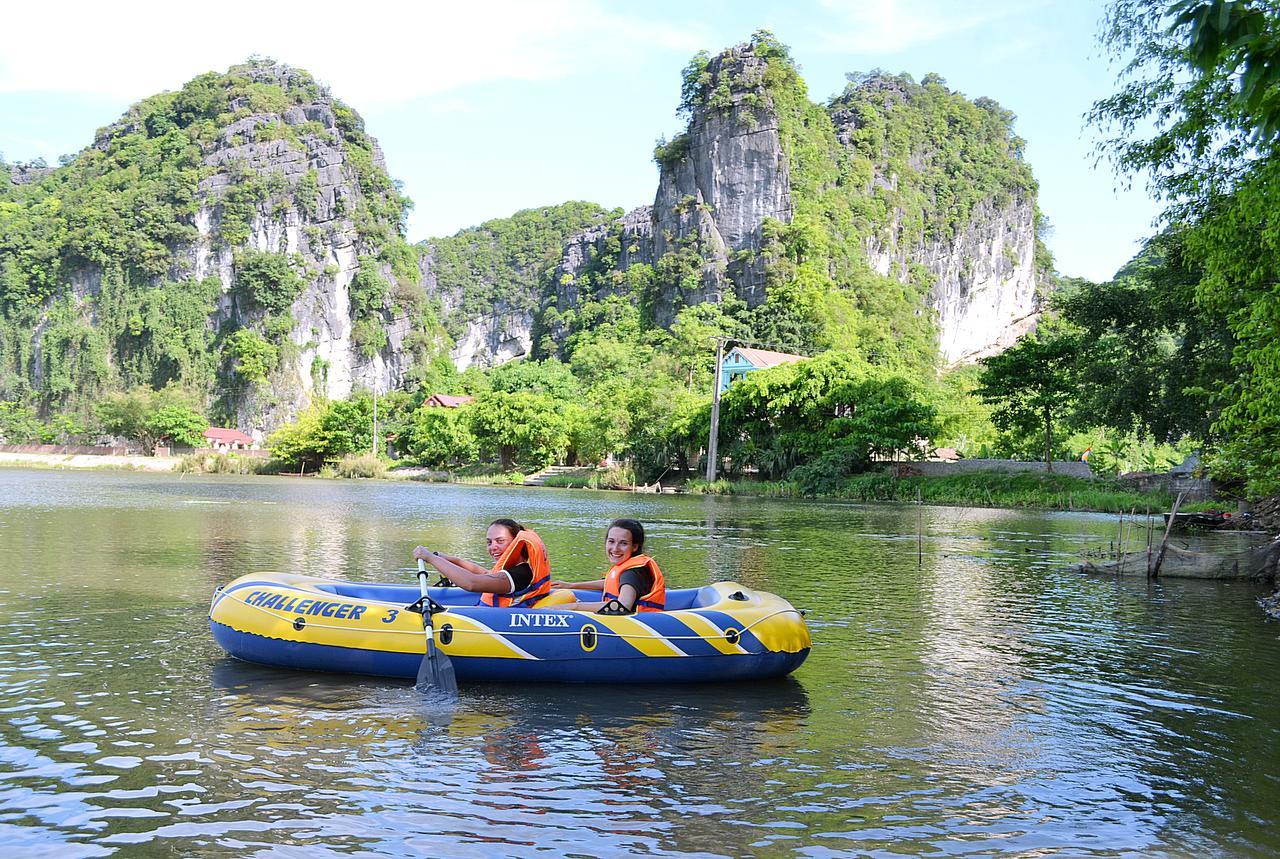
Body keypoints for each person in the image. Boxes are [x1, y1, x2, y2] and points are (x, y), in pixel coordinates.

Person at [413, 518, 552, 608]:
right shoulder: (514, 569)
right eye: (489, 542)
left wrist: (430, 557)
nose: (493, 547)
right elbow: (484, 573)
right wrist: (446, 558)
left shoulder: (520, 574)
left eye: (500, 541)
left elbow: (471, 583)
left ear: (517, 543)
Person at [554, 518, 665, 613]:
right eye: (611, 541)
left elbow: (623, 605)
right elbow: (610, 582)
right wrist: (571, 585)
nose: (615, 549)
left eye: (623, 543)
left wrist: (573, 606)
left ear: (634, 547)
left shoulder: (632, 573)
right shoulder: (628, 570)